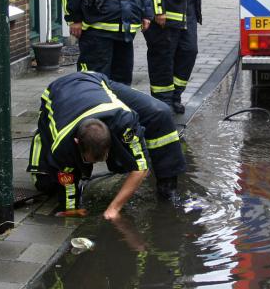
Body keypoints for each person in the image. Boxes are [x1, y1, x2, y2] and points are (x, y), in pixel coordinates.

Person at [27, 71, 186, 220]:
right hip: (59, 91)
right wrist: (71, 210)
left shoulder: (124, 121)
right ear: (77, 142)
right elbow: (67, 183)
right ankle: (41, 144)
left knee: (160, 112)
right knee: (47, 184)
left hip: (93, 81)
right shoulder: (63, 146)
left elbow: (141, 167)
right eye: (91, 161)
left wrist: (114, 208)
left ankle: (167, 187)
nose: (96, 164)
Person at [142, 0, 244, 113]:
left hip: (187, 11)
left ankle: (175, 96)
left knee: (189, 51)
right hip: (166, 13)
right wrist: (158, 9)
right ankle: (162, 102)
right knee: (164, 57)